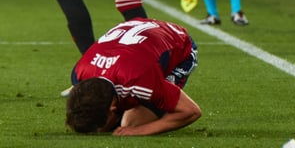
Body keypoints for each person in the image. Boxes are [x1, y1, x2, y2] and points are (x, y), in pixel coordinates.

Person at [66, 18, 201, 135]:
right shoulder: (79, 74)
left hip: (180, 45)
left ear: (113, 109)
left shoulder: (140, 82)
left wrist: (140, 130)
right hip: (140, 36)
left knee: (131, 123)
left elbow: (191, 111)